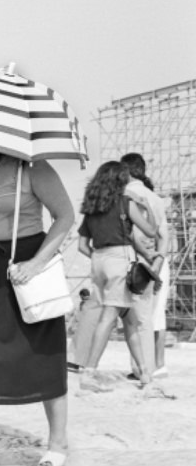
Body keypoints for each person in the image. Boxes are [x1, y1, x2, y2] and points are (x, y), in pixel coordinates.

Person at [0, 150, 75, 466]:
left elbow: (65, 216)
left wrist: (36, 264)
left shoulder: (34, 167)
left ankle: (58, 442)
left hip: (28, 260)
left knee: (44, 350)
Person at [74, 161, 159, 389]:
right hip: (119, 259)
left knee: (129, 319)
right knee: (109, 317)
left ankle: (144, 374)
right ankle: (89, 374)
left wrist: (99, 257)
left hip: (99, 261)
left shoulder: (92, 208)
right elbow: (151, 230)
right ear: (120, 180)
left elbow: (82, 245)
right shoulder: (125, 203)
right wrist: (146, 206)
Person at [120, 153, 170, 377]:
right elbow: (164, 235)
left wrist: (146, 260)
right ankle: (155, 367)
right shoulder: (155, 197)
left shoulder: (125, 195)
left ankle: (142, 369)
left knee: (136, 319)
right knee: (154, 316)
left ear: (126, 171)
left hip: (136, 261)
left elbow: (130, 235)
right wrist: (157, 264)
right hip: (158, 260)